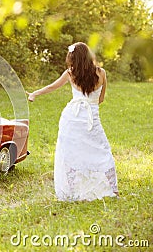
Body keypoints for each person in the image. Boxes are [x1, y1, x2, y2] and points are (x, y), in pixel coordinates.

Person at [27, 42, 119, 201]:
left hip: (72, 117)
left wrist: (34, 93)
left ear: (73, 58)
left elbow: (51, 87)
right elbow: (101, 99)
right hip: (92, 119)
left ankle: (71, 191)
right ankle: (113, 190)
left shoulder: (70, 73)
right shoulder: (101, 73)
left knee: (69, 153)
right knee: (102, 150)